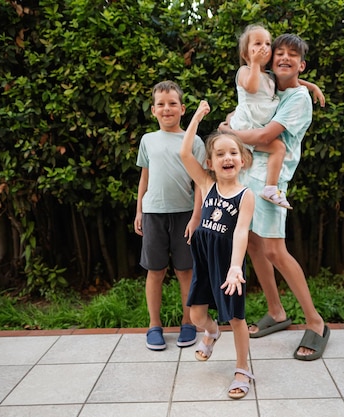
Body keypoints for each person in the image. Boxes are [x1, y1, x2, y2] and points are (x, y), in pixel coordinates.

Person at [219, 33, 330, 361]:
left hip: (271, 181)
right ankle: (276, 311)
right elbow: (263, 90)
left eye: (291, 55)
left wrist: (230, 134)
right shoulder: (271, 85)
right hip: (245, 175)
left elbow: (268, 135)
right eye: (278, 53)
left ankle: (316, 321)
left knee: (274, 249)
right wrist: (309, 82)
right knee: (252, 243)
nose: (283, 58)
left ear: (301, 63)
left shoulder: (298, 99)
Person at [180, 100, 256, 399]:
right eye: (220, 153)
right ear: (210, 162)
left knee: (236, 318)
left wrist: (236, 266)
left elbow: (240, 231)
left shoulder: (245, 195)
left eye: (233, 153)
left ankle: (242, 369)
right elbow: (185, 153)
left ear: (243, 160)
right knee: (197, 315)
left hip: (228, 264)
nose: (228, 157)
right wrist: (197, 117)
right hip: (203, 259)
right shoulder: (206, 184)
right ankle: (211, 333)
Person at [134, 80, 206, 351]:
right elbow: (145, 176)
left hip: (185, 215)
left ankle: (189, 323)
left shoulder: (193, 141)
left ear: (183, 108)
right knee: (155, 271)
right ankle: (154, 326)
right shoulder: (148, 140)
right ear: (153, 110)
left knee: (186, 271)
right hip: (153, 214)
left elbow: (200, 182)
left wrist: (196, 216)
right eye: (161, 105)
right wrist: (139, 209)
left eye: (172, 103)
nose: (167, 109)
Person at [230, 24, 325, 210]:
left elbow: (292, 78)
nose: (264, 47)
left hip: (256, 130)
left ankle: (270, 187)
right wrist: (255, 63)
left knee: (276, 148)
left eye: (267, 43)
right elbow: (251, 88)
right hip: (247, 125)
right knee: (277, 147)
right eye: (257, 44)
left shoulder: (271, 77)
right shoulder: (245, 72)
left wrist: (312, 86)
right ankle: (271, 188)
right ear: (245, 54)